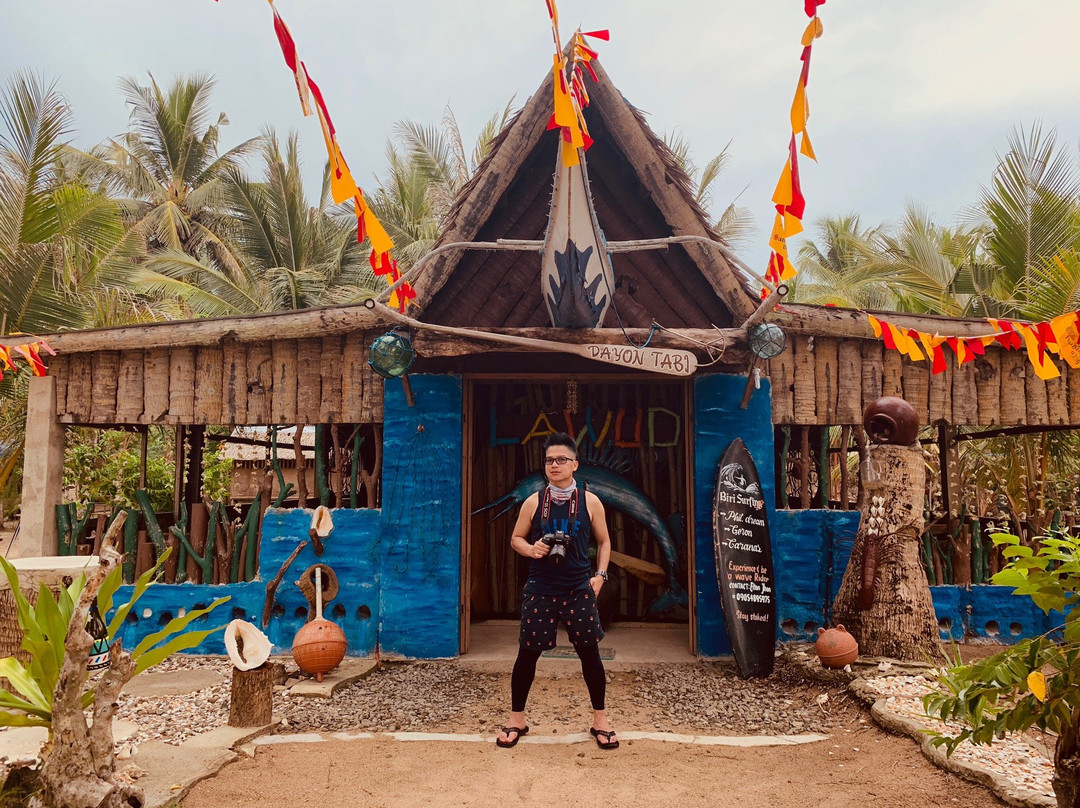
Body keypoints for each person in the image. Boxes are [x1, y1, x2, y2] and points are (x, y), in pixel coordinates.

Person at [495, 432, 619, 750]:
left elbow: (605, 542)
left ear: (575, 464)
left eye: (562, 459)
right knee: (527, 655)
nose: (555, 465)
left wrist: (601, 576)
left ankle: (601, 721)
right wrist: (531, 549)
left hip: (578, 587)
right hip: (540, 588)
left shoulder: (590, 501)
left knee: (590, 654)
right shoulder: (534, 501)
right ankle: (516, 719)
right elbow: (515, 539)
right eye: (550, 460)